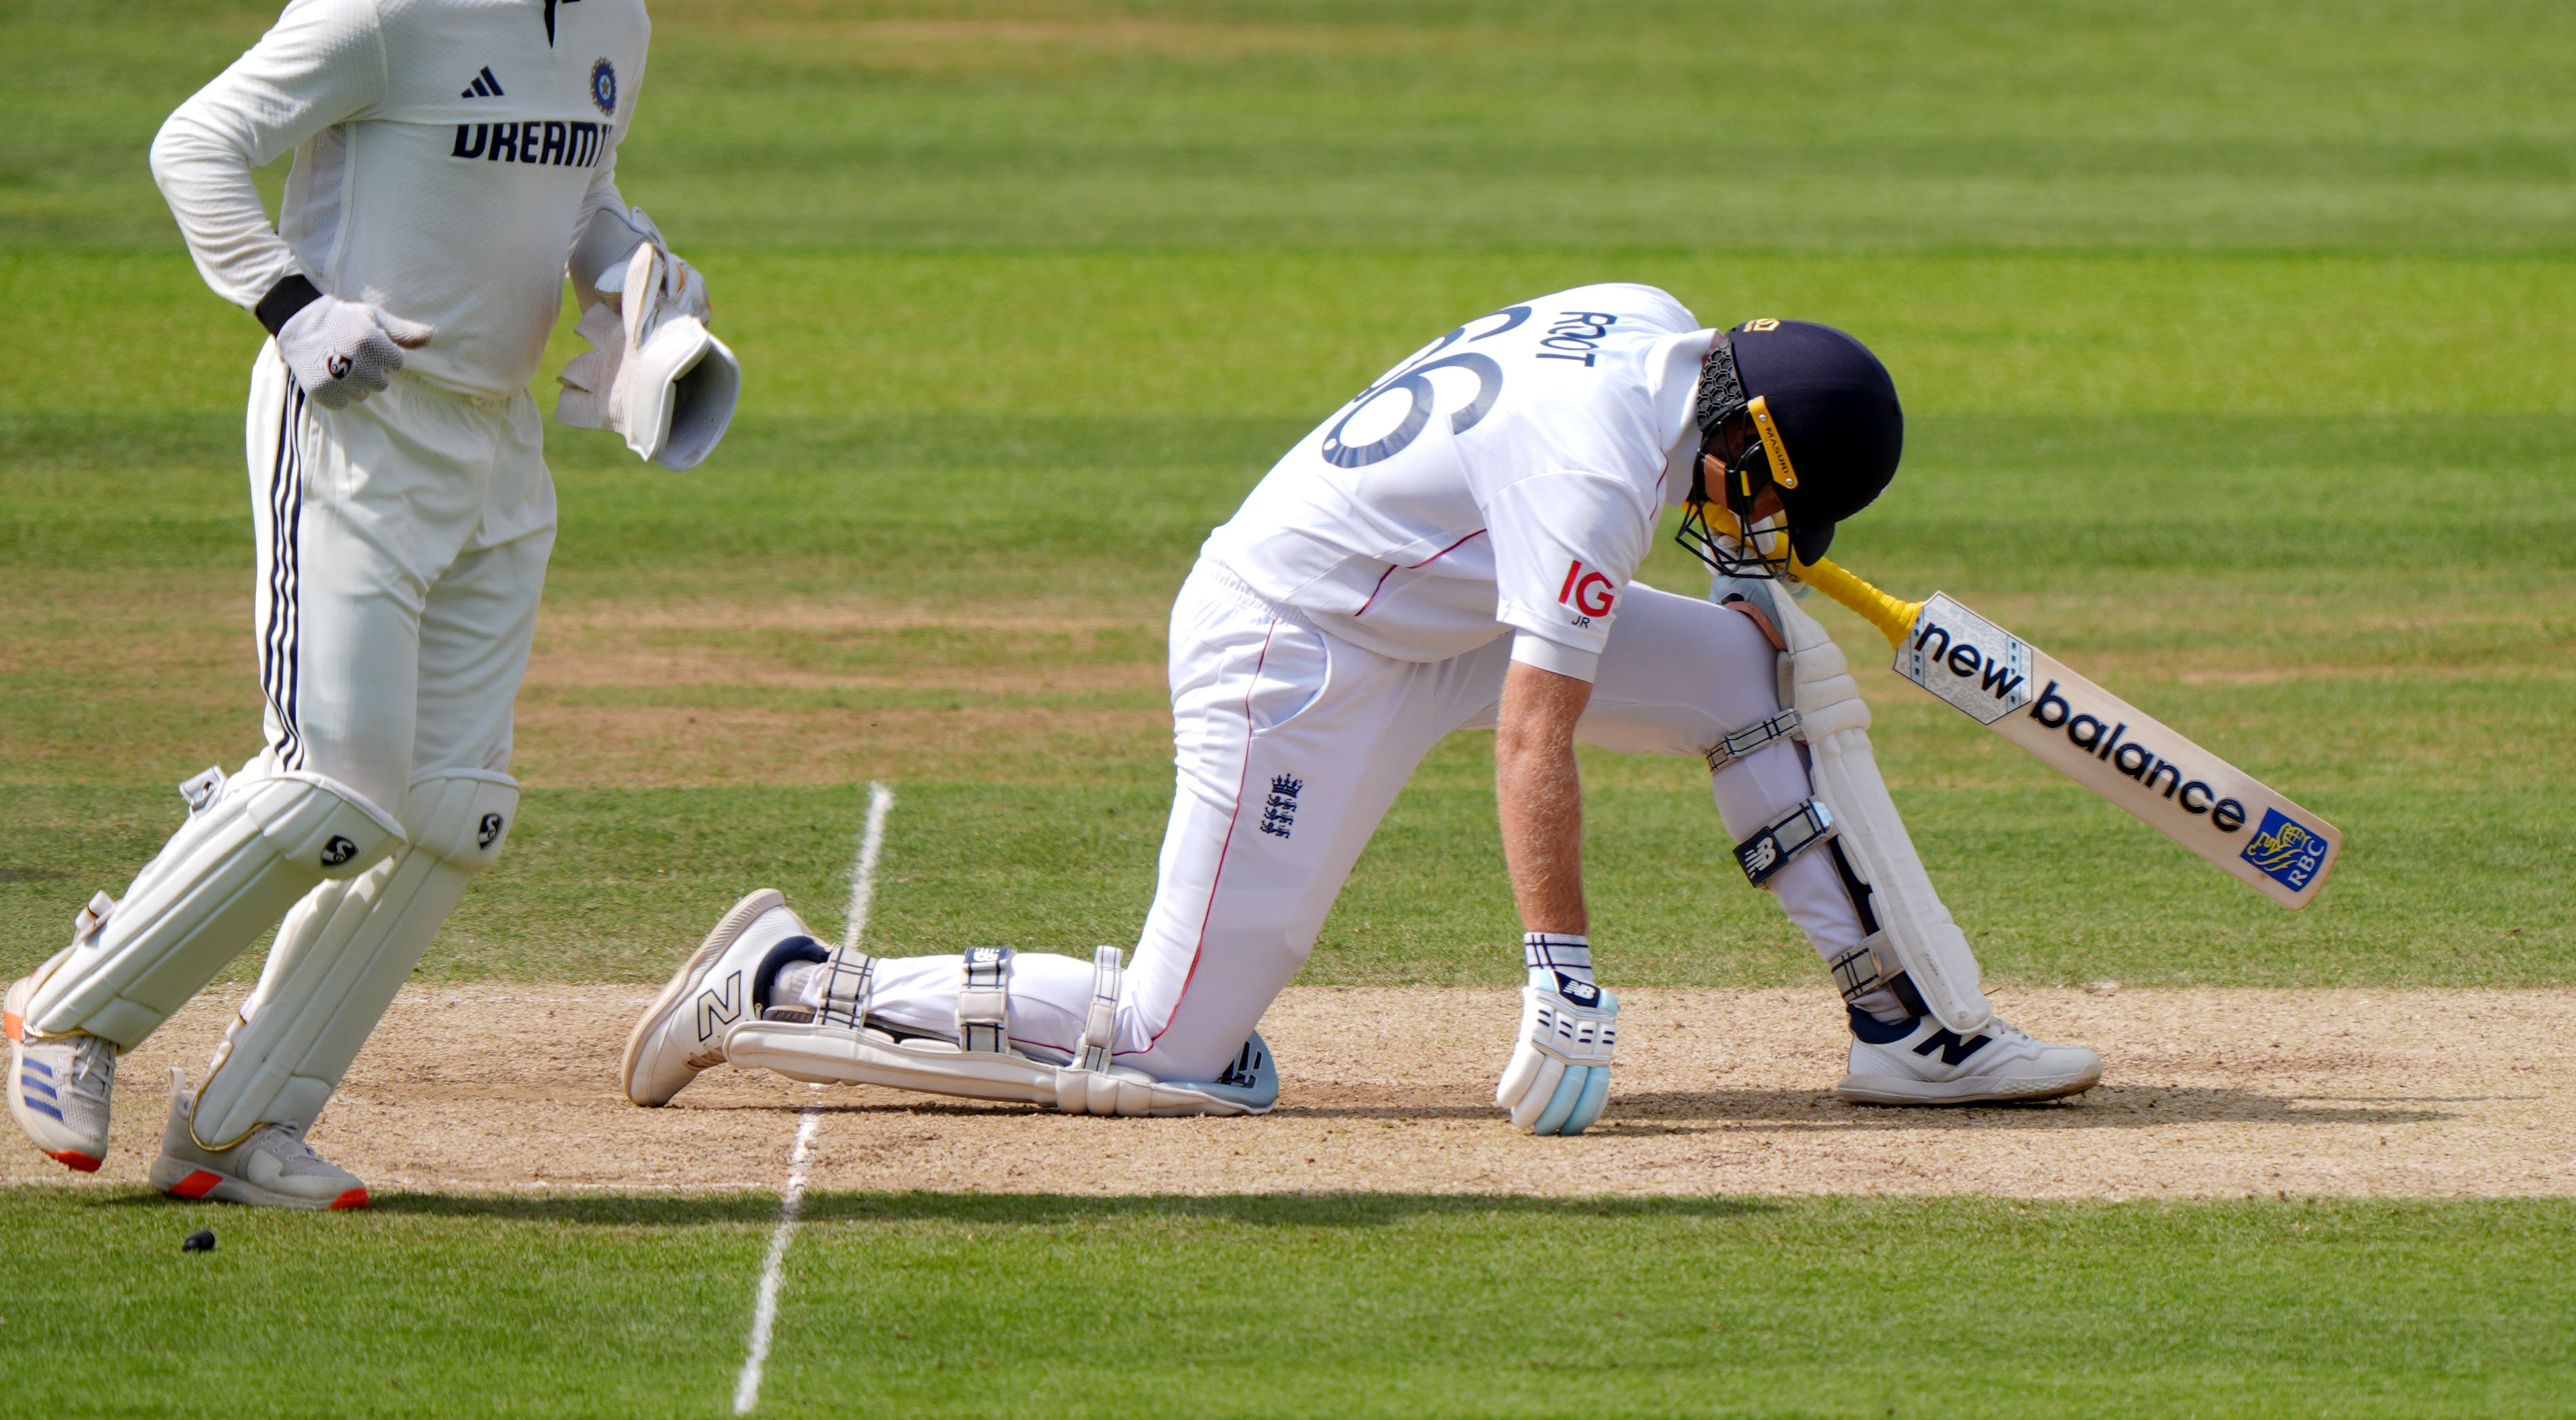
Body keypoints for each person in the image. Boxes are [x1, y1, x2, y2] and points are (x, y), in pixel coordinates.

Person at [620, 288, 2100, 1131]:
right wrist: (1560, 975)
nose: (1767, 529)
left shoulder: (1652, 327)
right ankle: (783, 983)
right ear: (1739, 433)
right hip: (1296, 650)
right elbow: (1535, 738)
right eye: (1774, 498)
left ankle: (1899, 1023)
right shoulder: (1591, 483)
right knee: (1170, 1051)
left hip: (1428, 602)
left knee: (1738, 668)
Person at [3, 0, 729, 1206]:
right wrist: (289, 303)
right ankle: (69, 1009)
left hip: (496, 446)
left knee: (451, 809)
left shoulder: (613, 19)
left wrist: (634, 266)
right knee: (333, 791)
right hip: (350, 428)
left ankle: (236, 1123)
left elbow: (573, 189)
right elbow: (194, 142)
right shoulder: (384, 4)